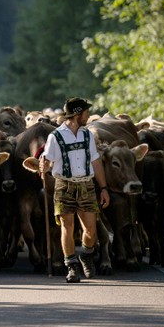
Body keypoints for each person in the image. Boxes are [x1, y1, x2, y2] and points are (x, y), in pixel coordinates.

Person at [38, 97, 110, 283]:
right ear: (77, 114)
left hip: (86, 184)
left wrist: (103, 188)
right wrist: (44, 165)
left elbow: (95, 162)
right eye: (86, 112)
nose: (88, 115)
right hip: (63, 184)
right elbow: (47, 161)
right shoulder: (55, 136)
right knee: (67, 227)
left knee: (90, 231)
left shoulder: (88, 135)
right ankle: (71, 266)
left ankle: (86, 254)